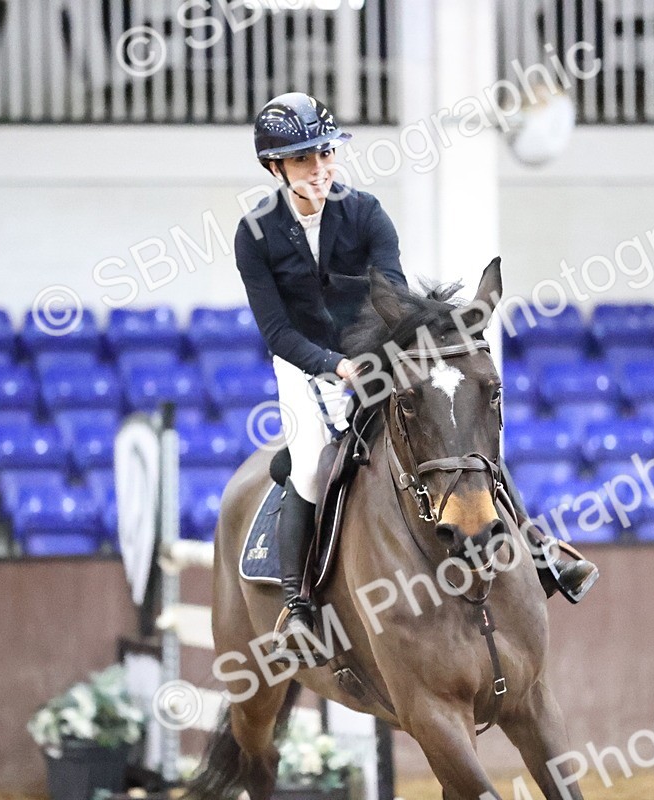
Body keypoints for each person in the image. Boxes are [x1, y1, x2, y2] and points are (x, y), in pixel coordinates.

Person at [234, 93, 598, 662]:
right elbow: (275, 328)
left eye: (326, 154)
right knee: (310, 466)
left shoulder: (366, 213)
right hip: (306, 365)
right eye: (305, 160)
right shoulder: (254, 233)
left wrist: (382, 360)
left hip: (376, 353)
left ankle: (538, 546)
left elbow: (394, 301)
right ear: (275, 167)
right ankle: (298, 604)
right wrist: (332, 365)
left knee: (457, 438)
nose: (321, 169)